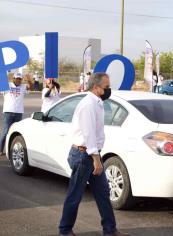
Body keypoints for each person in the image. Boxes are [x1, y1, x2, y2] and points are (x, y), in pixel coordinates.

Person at [58, 72, 129, 236]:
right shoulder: (88, 105)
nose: (109, 90)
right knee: (74, 196)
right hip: (84, 156)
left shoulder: (97, 103)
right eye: (106, 87)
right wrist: (96, 159)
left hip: (91, 155)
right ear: (96, 87)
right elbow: (89, 134)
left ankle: (110, 230)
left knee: (103, 193)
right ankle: (65, 230)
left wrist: (96, 157)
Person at [0, 72, 30, 156]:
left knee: (16, 133)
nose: (19, 80)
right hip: (8, 112)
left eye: (20, 79)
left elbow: (30, 87)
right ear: (14, 79)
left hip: (18, 113)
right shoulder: (8, 85)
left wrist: (29, 80)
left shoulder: (23, 87)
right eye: (17, 78)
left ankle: (12, 150)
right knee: (6, 131)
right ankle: (1, 150)